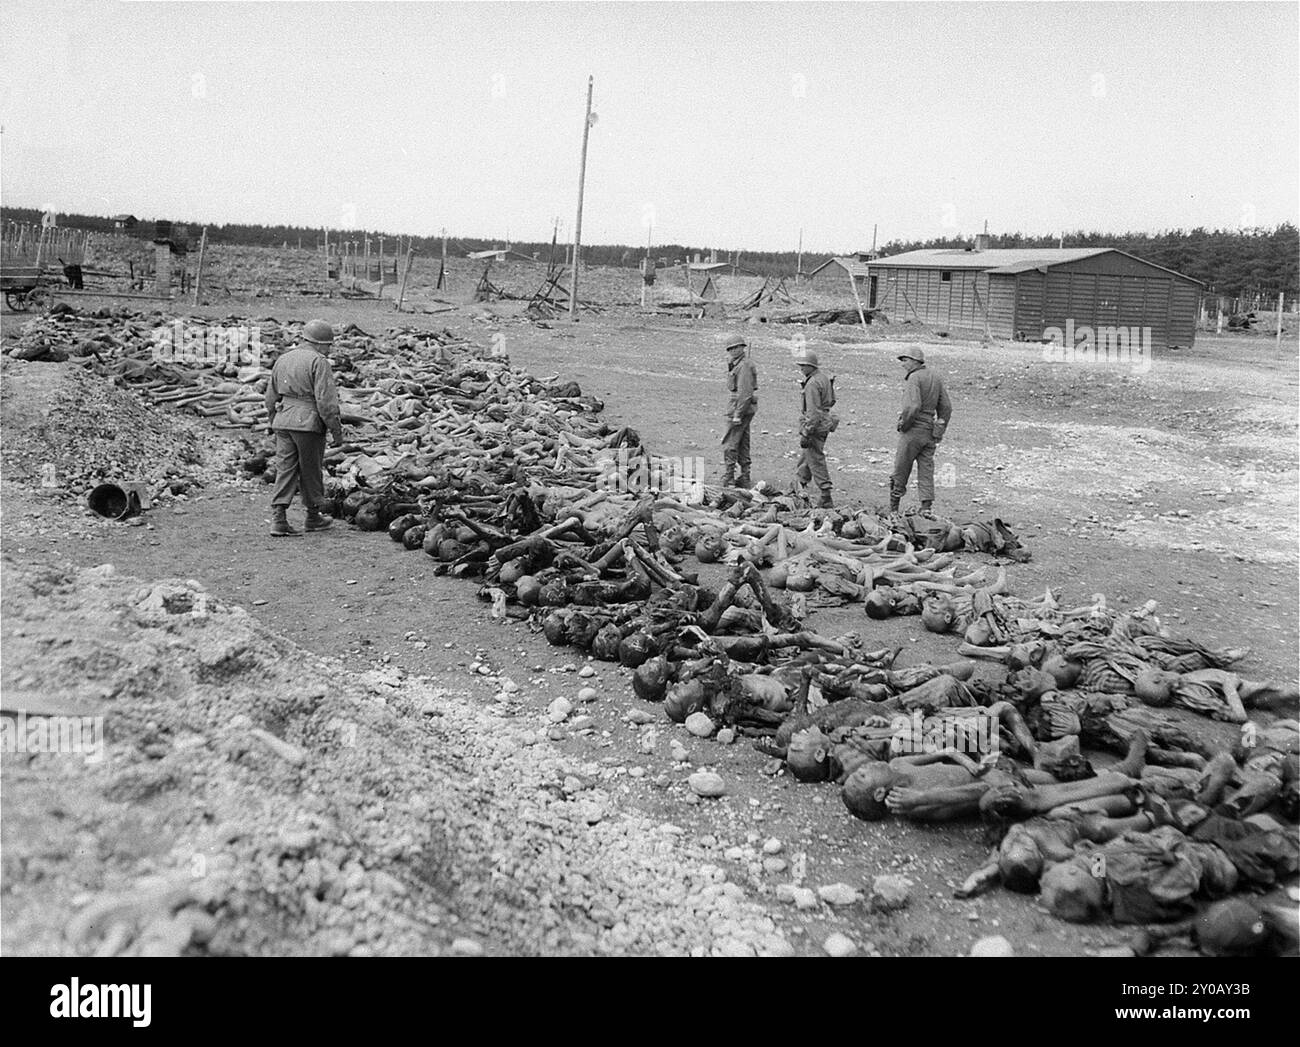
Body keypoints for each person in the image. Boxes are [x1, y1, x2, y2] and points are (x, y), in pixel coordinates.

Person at [264, 319, 344, 536]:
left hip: (283, 420)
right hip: (308, 423)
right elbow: (326, 403)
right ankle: (313, 516)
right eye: (328, 345)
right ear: (319, 343)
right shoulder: (319, 362)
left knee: (285, 468)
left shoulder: (284, 359)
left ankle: (278, 519)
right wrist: (336, 431)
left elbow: (270, 397)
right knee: (310, 470)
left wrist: (274, 421)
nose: (329, 349)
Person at [890, 346, 951, 515]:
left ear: (915, 361)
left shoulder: (914, 378)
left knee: (901, 468)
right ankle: (926, 508)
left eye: (905, 360)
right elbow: (946, 407)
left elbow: (912, 406)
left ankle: (893, 508)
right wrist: (940, 429)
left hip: (913, 431)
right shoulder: (935, 377)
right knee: (926, 470)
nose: (903, 365)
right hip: (930, 432)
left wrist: (904, 425)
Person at [794, 348, 837, 508]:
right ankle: (799, 485)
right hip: (825, 423)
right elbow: (832, 401)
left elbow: (813, 413)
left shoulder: (812, 384)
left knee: (815, 459)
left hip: (816, 426)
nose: (801, 369)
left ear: (811, 366)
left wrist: (806, 432)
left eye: (804, 366)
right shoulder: (823, 378)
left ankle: (826, 495)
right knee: (807, 457)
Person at [719, 331, 757, 488]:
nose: (733, 351)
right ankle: (745, 477)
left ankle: (729, 477)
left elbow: (745, 393)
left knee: (730, 443)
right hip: (741, 407)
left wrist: (737, 414)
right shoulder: (739, 364)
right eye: (730, 348)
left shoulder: (744, 366)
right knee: (742, 442)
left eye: (736, 347)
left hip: (739, 408)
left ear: (742, 348)